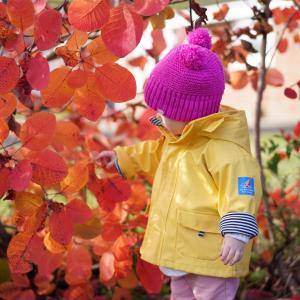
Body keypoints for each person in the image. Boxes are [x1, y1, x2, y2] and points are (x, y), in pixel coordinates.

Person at [95, 28, 262, 300]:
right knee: (181, 294)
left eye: (163, 111)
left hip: (214, 251)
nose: (156, 115)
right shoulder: (177, 138)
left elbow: (241, 189)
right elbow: (153, 154)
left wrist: (236, 233)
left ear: (190, 114)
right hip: (183, 247)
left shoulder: (224, 149)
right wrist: (121, 158)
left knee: (211, 296)